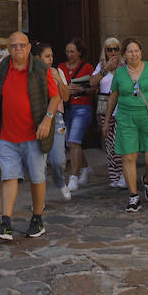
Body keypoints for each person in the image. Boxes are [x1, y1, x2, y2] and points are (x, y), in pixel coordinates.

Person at [0, 32, 61, 241]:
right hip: (8, 135)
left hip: (34, 135)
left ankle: (37, 219)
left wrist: (47, 120)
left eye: (22, 45)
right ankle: (5, 222)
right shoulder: (4, 67)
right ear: (8, 48)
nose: (18, 49)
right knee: (9, 176)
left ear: (29, 48)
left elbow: (55, 97)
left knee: (37, 178)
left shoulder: (40, 68)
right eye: (13, 46)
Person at [101, 37, 148, 212]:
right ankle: (133, 197)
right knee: (128, 157)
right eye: (129, 51)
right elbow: (113, 96)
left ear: (141, 52)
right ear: (124, 55)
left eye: (136, 50)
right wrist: (107, 121)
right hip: (126, 118)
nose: (133, 54)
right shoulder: (120, 73)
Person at [35, 42, 72, 200]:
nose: (50, 59)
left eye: (51, 56)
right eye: (47, 56)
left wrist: (59, 81)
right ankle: (39, 200)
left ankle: (60, 181)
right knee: (39, 163)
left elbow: (66, 97)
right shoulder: (31, 74)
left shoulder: (58, 72)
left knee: (58, 159)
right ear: (37, 58)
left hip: (57, 119)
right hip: (37, 119)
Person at [59, 37, 96, 193]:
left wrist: (82, 90)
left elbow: (95, 87)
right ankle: (86, 168)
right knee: (72, 142)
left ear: (79, 52)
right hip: (66, 108)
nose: (69, 54)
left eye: (72, 51)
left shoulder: (87, 68)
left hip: (82, 107)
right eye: (67, 51)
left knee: (74, 140)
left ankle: (73, 177)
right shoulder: (60, 67)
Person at [92, 36, 125, 188]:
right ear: (105, 51)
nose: (113, 52)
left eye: (116, 49)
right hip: (104, 108)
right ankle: (114, 175)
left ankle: (124, 174)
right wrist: (106, 69)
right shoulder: (101, 66)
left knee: (119, 143)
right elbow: (92, 82)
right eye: (109, 49)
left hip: (122, 107)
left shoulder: (125, 65)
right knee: (109, 144)